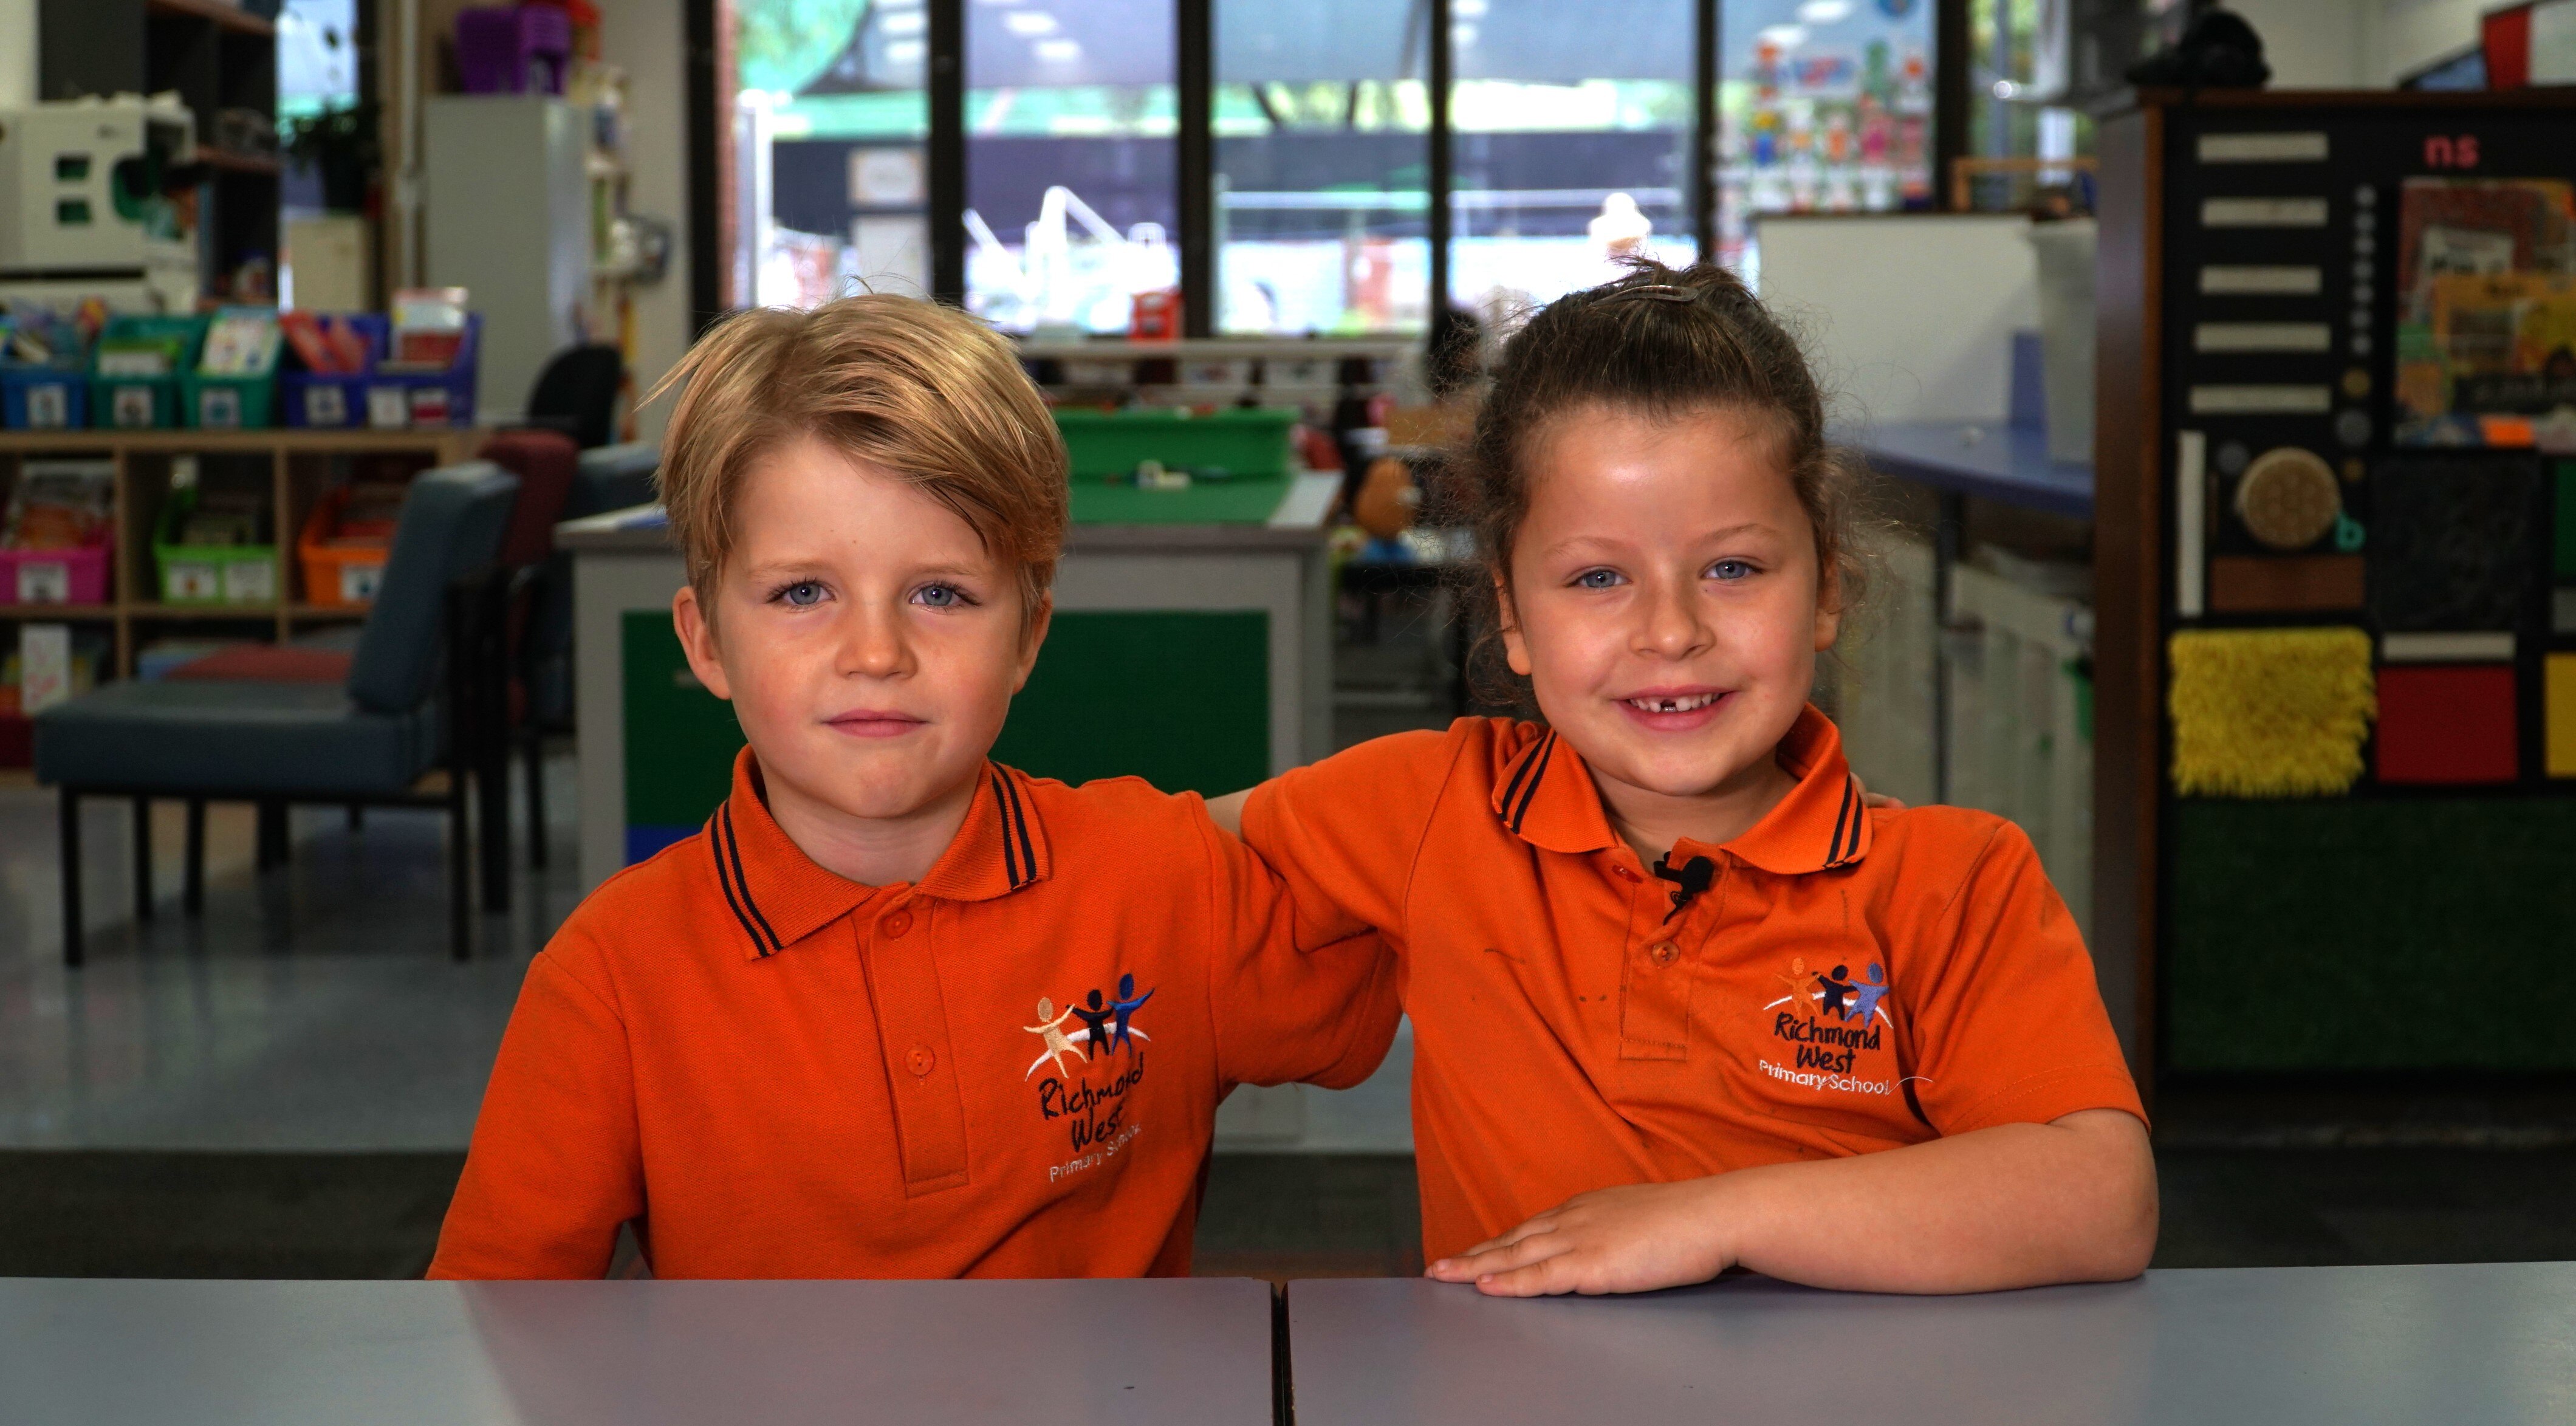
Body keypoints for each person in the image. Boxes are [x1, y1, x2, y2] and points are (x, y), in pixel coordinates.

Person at [1209, 259, 2155, 1298]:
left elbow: (2103, 1200)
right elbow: (1139, 858)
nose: (1671, 632)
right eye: (1597, 577)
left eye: (1732, 569)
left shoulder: (1957, 883)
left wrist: (1716, 1218)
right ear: (1513, 616)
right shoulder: (1431, 809)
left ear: (1826, 587)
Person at [428, 295, 1397, 1280]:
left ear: (1027, 636)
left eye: (940, 593)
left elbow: (1447, 876)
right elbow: (489, 1328)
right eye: (803, 592)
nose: (876, 652)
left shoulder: (1164, 881)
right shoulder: (611, 977)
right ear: (706, 640)